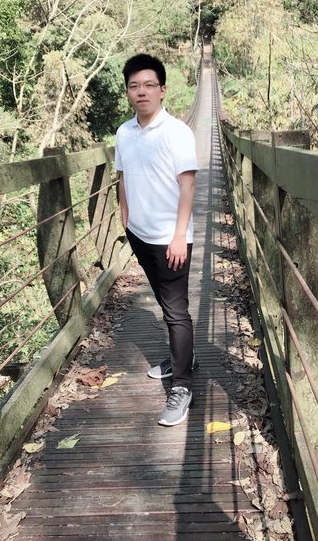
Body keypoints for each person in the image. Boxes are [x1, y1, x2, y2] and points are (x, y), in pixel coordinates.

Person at [115, 53, 198, 426]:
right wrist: (125, 214)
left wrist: (180, 236)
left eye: (149, 85)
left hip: (170, 238)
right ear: (128, 92)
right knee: (166, 304)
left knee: (176, 311)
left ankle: (182, 386)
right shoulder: (123, 132)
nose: (141, 92)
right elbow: (122, 176)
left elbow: (187, 185)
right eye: (134, 86)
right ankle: (183, 357)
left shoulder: (177, 132)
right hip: (139, 234)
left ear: (162, 90)